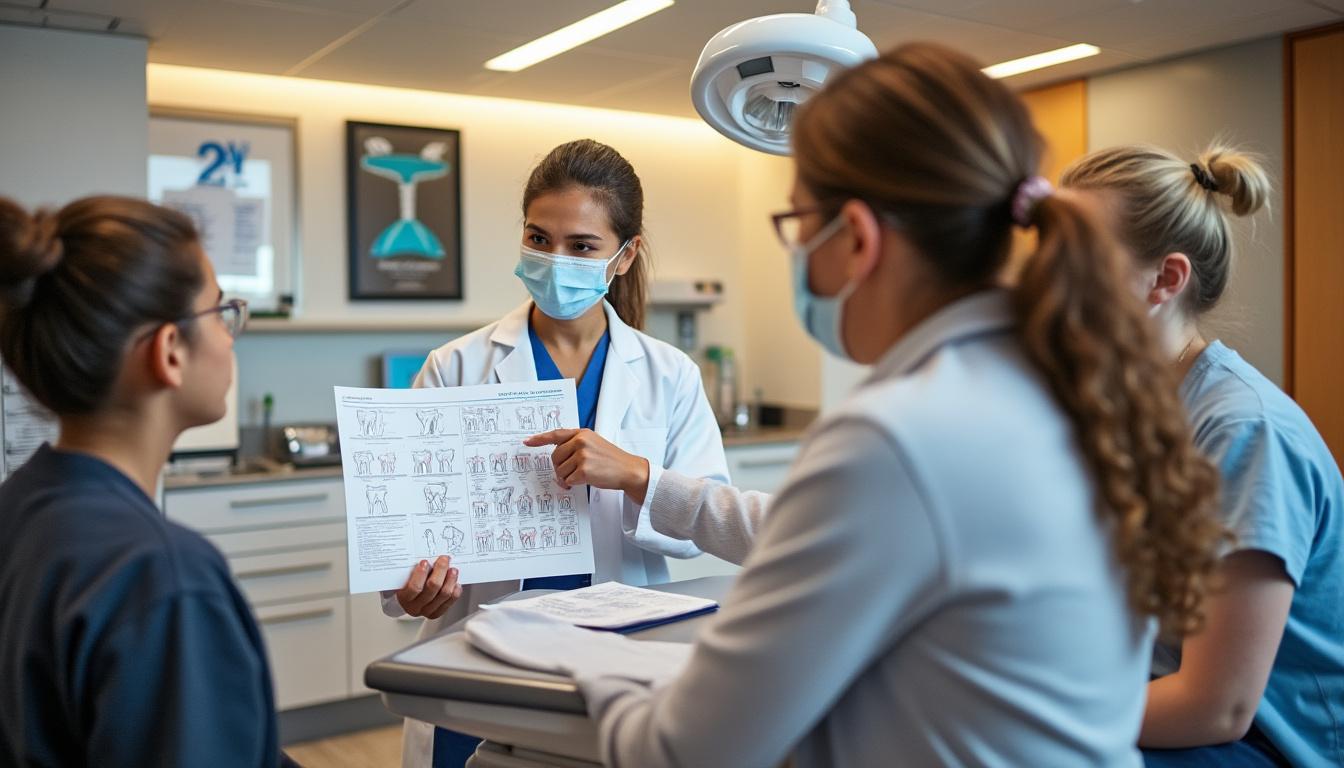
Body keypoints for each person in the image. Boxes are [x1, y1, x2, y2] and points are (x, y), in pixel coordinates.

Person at [507, 42, 1228, 767]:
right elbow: (814, 543)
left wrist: (588, 667)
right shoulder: (1064, 395)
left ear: (855, 237)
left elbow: (686, 749)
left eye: (795, 226)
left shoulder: (899, 437)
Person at [383, 139, 729, 767]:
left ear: (624, 257)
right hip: (480, 662)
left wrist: (633, 476)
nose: (554, 259)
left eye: (582, 247)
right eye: (539, 239)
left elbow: (698, 531)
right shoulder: (455, 367)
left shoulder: (668, 375)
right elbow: (409, 534)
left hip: (615, 663)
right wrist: (412, 590)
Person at [1060, 144, 1344, 767]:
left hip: (1259, 743)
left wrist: (1037, 708)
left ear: (1165, 279)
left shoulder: (1245, 431)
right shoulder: (1125, 409)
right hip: (1162, 700)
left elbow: (1218, 706)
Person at [0, 196, 289, 766]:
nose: (232, 336)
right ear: (170, 351)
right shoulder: (163, 576)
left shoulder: (17, 507)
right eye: (220, 312)